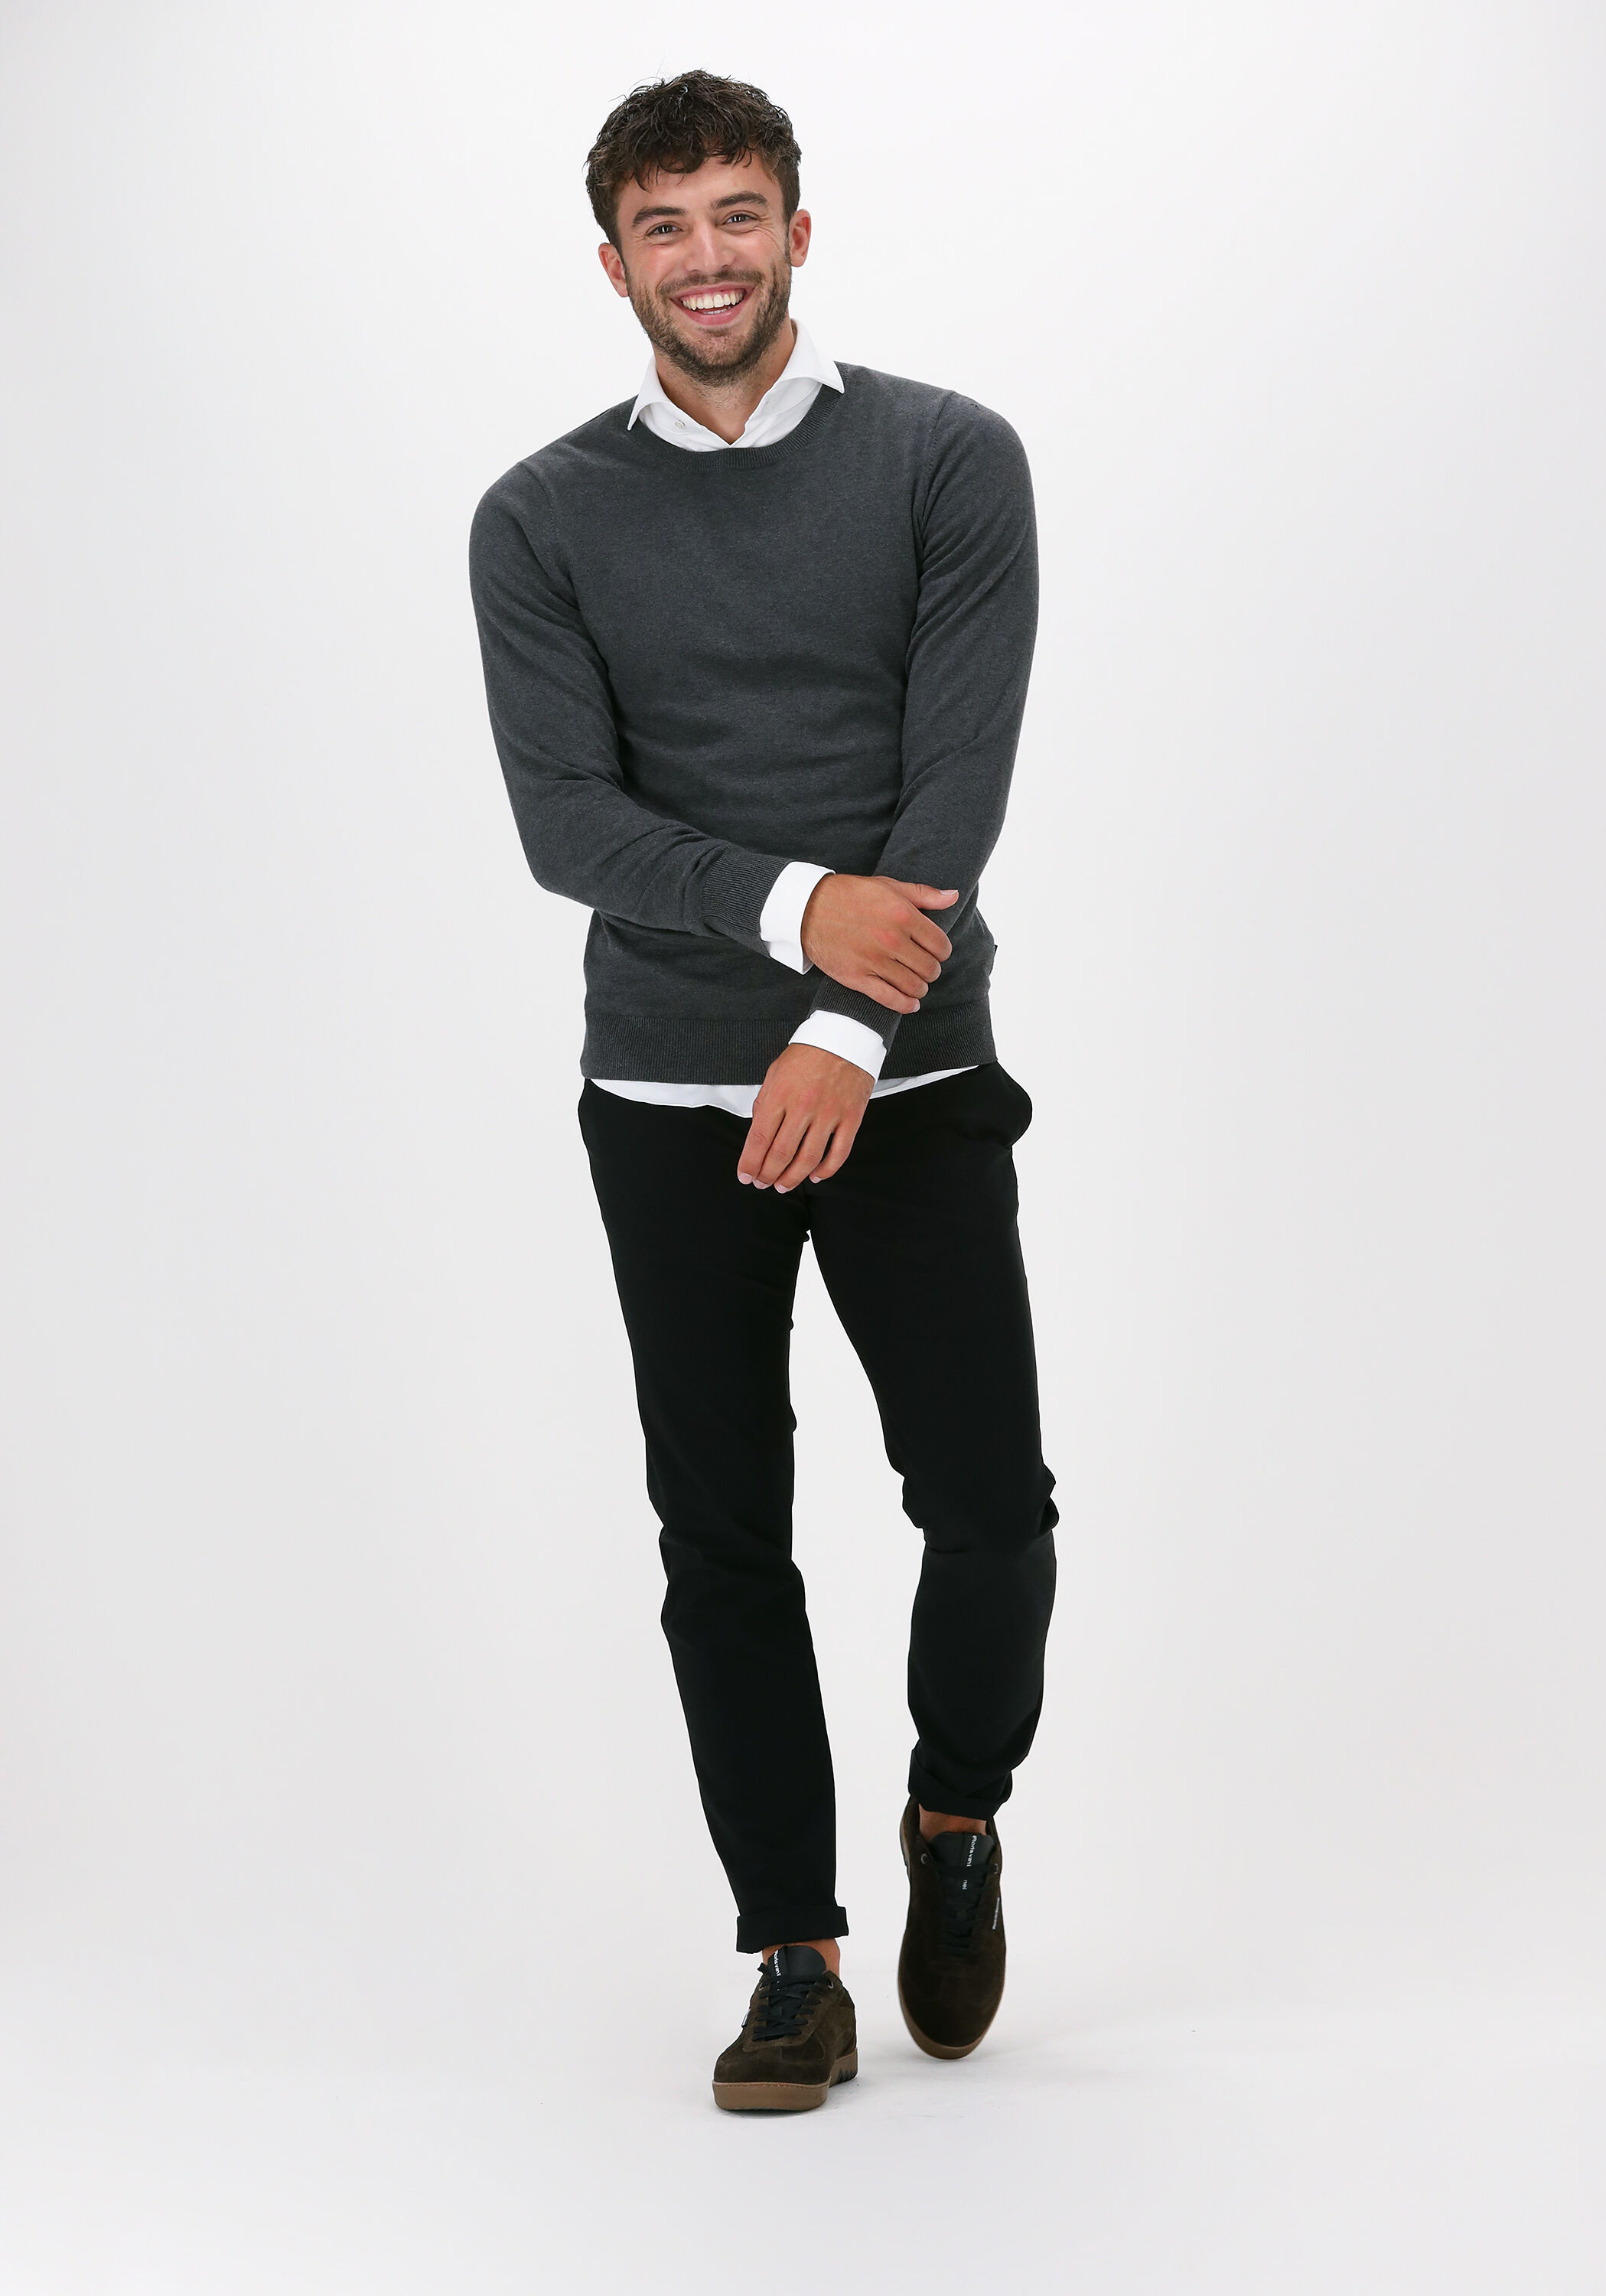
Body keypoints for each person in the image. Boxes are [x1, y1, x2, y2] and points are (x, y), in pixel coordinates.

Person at [469, 69, 1057, 2112]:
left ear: (797, 232)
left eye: (737, 215)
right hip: (663, 1091)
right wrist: (803, 918)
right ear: (614, 260)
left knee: (987, 1504)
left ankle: (956, 1815)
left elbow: (954, 778)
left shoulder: (947, 459)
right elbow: (567, 823)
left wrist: (847, 1031)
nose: (704, 257)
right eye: (665, 225)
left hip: (911, 1070)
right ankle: (792, 1955)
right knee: (723, 1533)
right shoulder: (539, 517)